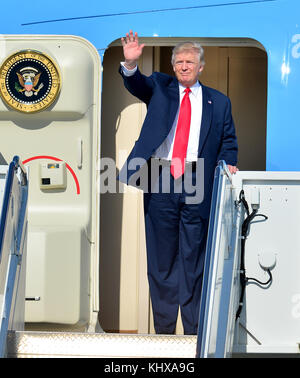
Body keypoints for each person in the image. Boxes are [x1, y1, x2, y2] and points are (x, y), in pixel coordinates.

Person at [118, 30, 238, 335]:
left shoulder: (219, 102)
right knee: (162, 261)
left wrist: (228, 164)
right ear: (173, 67)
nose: (184, 66)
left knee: (194, 259)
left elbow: (228, 141)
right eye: (179, 62)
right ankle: (164, 333)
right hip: (159, 178)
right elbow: (137, 84)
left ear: (200, 67)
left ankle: (195, 333)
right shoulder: (161, 87)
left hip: (197, 180)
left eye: (190, 61)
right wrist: (131, 65)